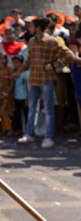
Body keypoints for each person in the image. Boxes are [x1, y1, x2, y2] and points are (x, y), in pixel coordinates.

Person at [13, 18, 74, 148]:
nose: (29, 29)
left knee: (48, 110)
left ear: (38, 28)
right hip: (34, 79)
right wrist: (19, 71)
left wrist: (54, 65)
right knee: (32, 108)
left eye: (31, 27)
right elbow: (29, 61)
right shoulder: (32, 42)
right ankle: (29, 134)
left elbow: (69, 55)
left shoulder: (52, 41)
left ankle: (48, 137)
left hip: (47, 80)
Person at [0, 52, 15, 136]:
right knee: (0, 112)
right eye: (0, 59)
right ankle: (4, 128)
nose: (2, 60)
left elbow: (11, 83)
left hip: (7, 93)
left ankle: (9, 129)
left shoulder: (9, 69)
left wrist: (7, 92)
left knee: (6, 112)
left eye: (4, 58)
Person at [12, 55, 29, 135]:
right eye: (14, 63)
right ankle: (19, 129)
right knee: (17, 114)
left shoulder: (25, 74)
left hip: (24, 96)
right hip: (16, 96)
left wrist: (27, 98)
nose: (15, 64)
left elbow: (27, 86)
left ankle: (27, 130)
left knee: (26, 114)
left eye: (17, 62)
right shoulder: (13, 74)